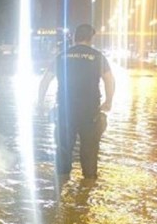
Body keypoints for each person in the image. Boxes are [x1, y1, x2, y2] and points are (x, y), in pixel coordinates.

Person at [37, 24, 115, 180]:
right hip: (90, 112)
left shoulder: (62, 56)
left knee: (63, 149)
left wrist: (40, 102)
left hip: (65, 111)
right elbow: (109, 80)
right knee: (90, 150)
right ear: (91, 39)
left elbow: (45, 80)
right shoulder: (98, 56)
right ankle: (88, 185)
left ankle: (61, 183)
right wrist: (108, 101)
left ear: (74, 37)